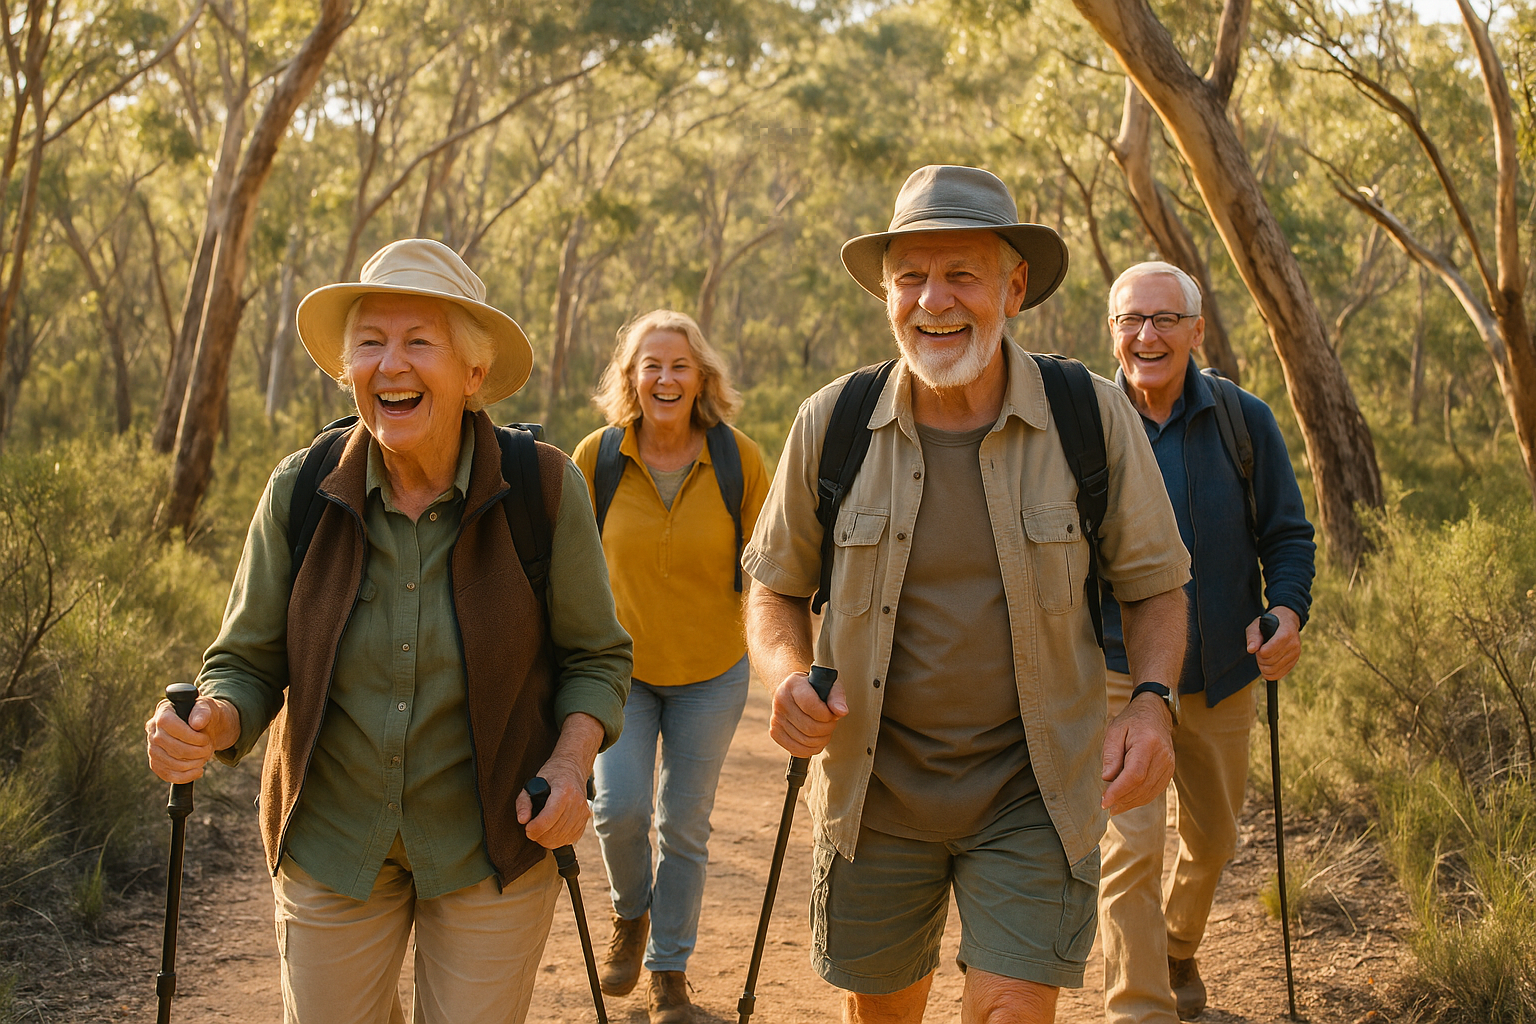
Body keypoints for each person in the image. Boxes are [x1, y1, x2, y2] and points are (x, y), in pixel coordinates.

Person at [741, 164, 1194, 1024]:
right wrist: (787, 676)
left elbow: (1156, 585)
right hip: (873, 797)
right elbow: (773, 591)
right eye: (910, 276)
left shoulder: (1089, 416)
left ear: (1013, 288)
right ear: (886, 293)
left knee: (1011, 1008)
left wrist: (1151, 702)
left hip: (1035, 796)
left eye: (961, 275)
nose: (933, 300)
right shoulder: (832, 423)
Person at [143, 238, 633, 1024]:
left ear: (472, 373)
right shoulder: (300, 488)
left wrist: (571, 767)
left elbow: (596, 660)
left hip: (492, 843)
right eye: (370, 342)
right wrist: (209, 720)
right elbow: (245, 662)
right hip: (332, 841)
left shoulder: (541, 488)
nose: (390, 365)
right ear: (349, 369)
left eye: (418, 342)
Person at [1097, 262, 1315, 1023]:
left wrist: (1286, 612)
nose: (1146, 335)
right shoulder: (1089, 427)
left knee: (1214, 838)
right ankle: (1139, 1009)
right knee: (1129, 848)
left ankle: (1176, 945)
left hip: (1223, 669)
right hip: (1118, 675)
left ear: (1196, 331)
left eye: (1164, 319)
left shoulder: (1242, 421)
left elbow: (1287, 535)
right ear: (1113, 332)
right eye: (1131, 319)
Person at [571, 309, 770, 1024]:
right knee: (616, 810)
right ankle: (632, 916)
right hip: (618, 675)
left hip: (711, 673)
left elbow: (772, 565)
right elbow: (564, 564)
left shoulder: (738, 460)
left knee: (684, 825)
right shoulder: (596, 457)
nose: (665, 378)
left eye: (679, 365)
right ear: (630, 377)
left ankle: (669, 977)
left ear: (700, 377)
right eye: (650, 365)